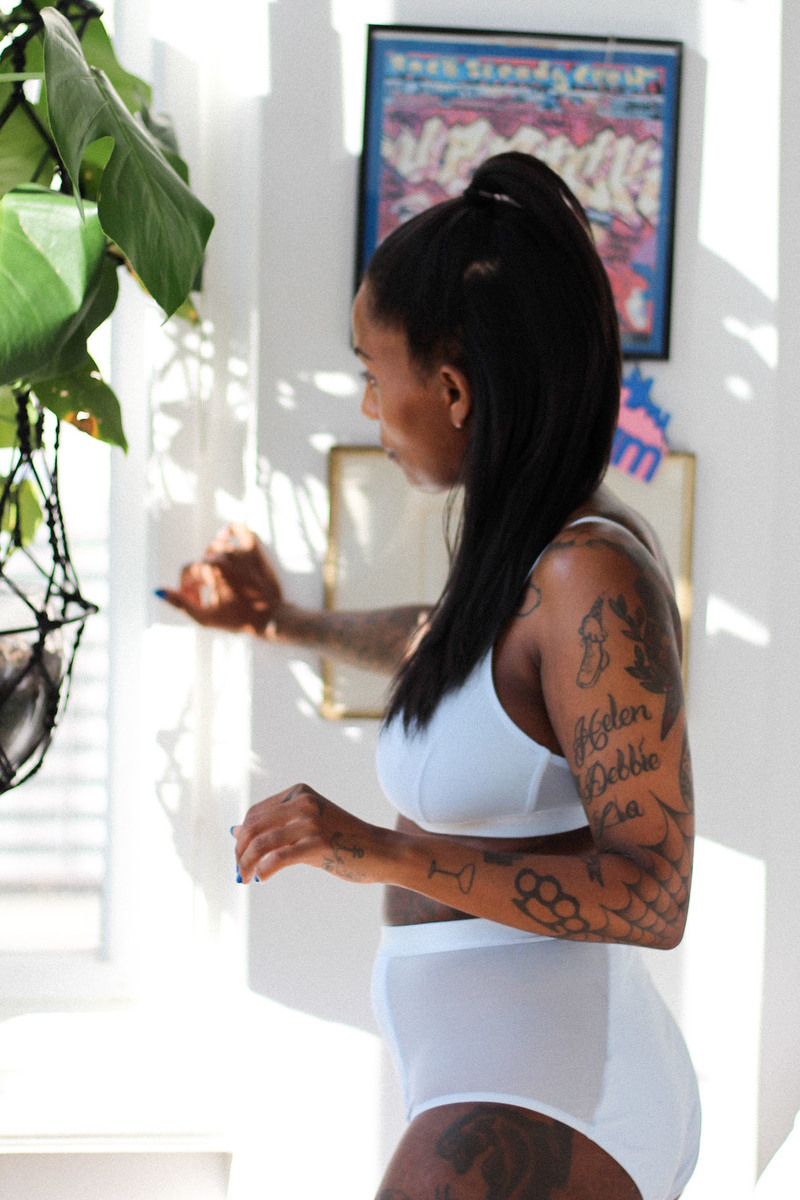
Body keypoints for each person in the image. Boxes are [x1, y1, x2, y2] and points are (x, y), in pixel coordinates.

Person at [158, 152, 700, 1200]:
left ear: (452, 390)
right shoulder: (527, 550)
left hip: (552, 1089)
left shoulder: (587, 571)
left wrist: (378, 851)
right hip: (496, 1073)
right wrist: (279, 620)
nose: (369, 406)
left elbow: (655, 894)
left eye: (374, 373)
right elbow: (454, 655)